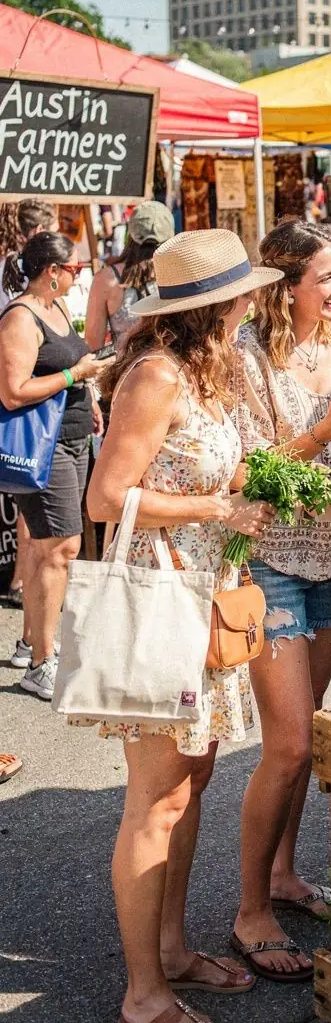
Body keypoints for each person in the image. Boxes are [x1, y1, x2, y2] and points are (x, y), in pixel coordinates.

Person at [85, 229, 281, 1023]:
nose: (254, 304)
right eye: (245, 295)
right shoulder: (157, 375)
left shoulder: (210, 370)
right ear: (217, 305)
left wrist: (258, 490)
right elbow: (105, 497)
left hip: (204, 603)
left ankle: (169, 950)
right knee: (156, 800)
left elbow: (213, 471)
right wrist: (215, 512)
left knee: (191, 781)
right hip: (160, 604)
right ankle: (143, 996)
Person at [231, 218, 331, 978]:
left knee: (306, 740)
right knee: (288, 743)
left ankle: (286, 875)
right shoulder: (250, 359)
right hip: (270, 561)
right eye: (326, 276)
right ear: (285, 285)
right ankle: (249, 910)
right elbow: (249, 472)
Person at [0, 232, 109, 699]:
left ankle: (31, 643)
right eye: (75, 269)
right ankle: (43, 660)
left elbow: (70, 362)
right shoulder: (20, 318)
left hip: (70, 438)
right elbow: (13, 391)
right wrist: (74, 376)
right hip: (43, 449)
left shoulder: (57, 308)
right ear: (52, 272)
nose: (77, 275)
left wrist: (89, 396)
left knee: (49, 547)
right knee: (60, 550)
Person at [0, 201, 58, 620]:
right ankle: (22, 577)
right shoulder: (24, 287)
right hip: (22, 389)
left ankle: (22, 577)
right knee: (28, 485)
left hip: (26, 387)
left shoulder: (14, 268)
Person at [85, 201, 175, 351]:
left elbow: (93, 343)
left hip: (127, 370)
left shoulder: (106, 278)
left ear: (130, 234)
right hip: (174, 369)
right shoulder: (179, 272)